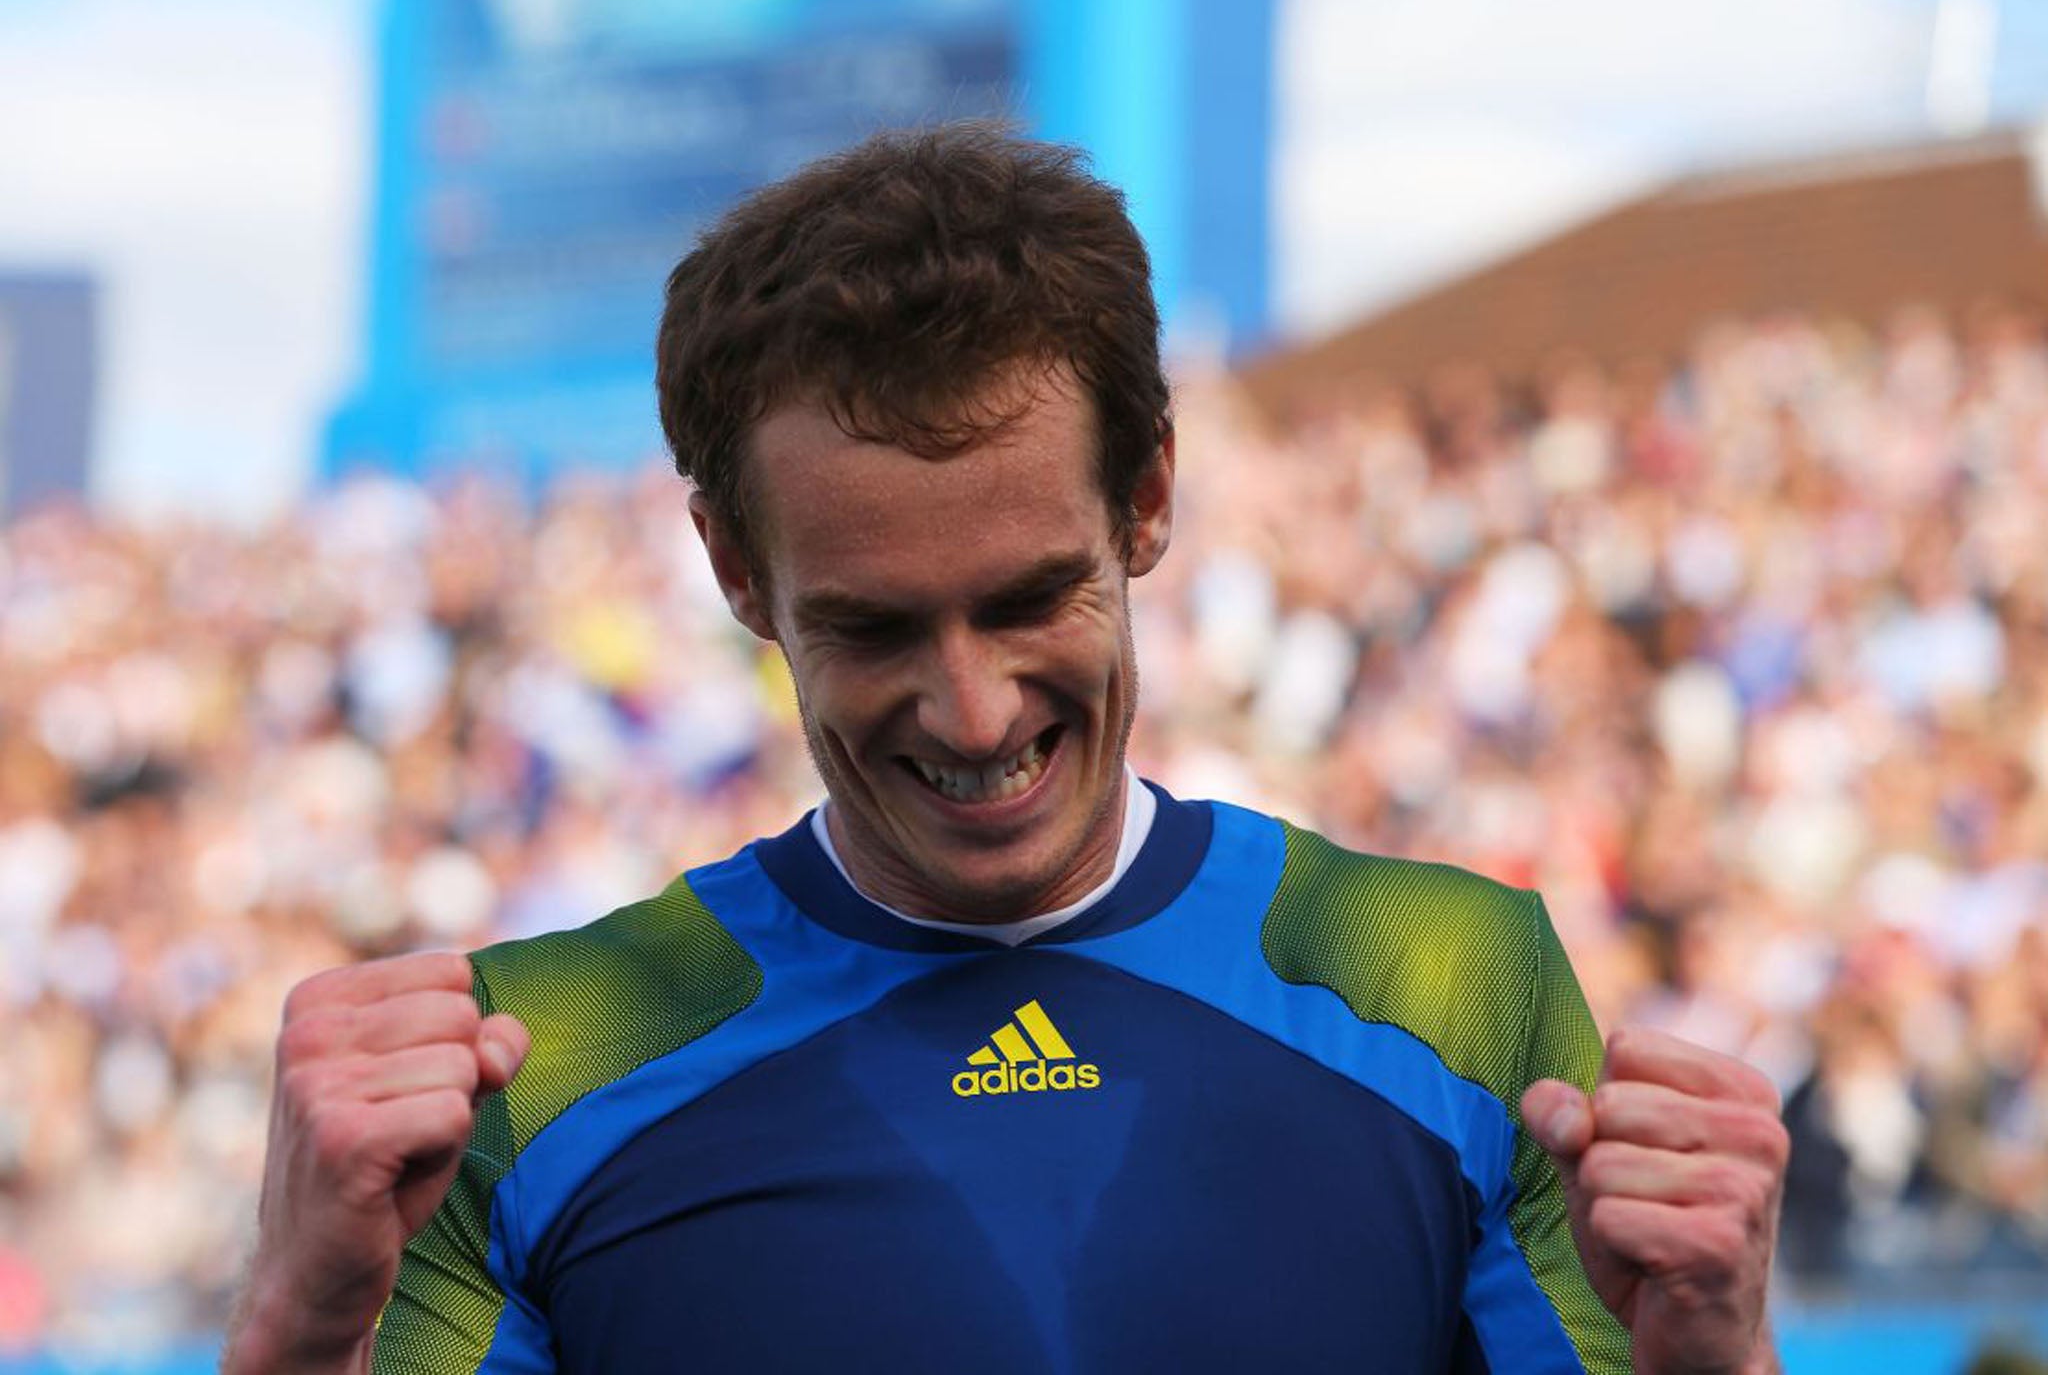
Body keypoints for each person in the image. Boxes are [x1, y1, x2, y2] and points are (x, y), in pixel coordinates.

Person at [223, 124, 1787, 1374]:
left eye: (1032, 600)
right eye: (876, 629)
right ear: (733, 572)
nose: (973, 714)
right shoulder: (532, 1060)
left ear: (1149, 499)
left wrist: (1719, 1362)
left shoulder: (1449, 978)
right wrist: (294, 1334)